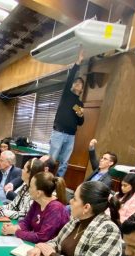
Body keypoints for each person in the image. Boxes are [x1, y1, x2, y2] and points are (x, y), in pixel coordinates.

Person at [1, 171, 69, 243]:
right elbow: (26, 222)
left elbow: (42, 237)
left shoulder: (55, 208)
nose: (28, 188)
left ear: (38, 193)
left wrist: (16, 232)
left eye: (31, 186)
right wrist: (15, 227)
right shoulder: (37, 201)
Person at [49, 48, 86, 178]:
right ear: (72, 85)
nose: (77, 84)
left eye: (80, 83)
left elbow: (80, 122)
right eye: (76, 82)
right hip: (58, 133)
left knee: (64, 162)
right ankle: (46, 180)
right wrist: (78, 62)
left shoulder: (80, 104)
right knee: (52, 159)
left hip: (71, 136)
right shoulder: (66, 95)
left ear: (82, 89)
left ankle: (58, 182)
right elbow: (70, 77)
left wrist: (80, 115)